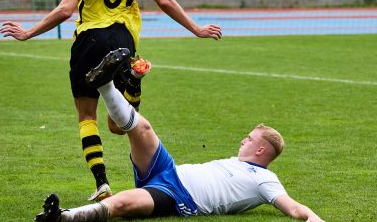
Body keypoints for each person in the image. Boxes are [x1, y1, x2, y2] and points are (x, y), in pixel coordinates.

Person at [0, 0, 222, 201]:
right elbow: (163, 0)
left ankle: (102, 183)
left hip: (91, 40)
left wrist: (29, 32)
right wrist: (197, 29)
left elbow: (66, 10)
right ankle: (134, 82)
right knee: (119, 125)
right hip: (124, 41)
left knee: (87, 117)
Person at [34, 48, 324, 222]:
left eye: (249, 139)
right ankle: (105, 84)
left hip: (176, 196)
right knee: (143, 128)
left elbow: (294, 209)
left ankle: (63, 217)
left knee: (122, 203)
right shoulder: (239, 164)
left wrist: (312, 217)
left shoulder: (265, 181)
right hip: (167, 171)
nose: (243, 140)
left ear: (261, 151)